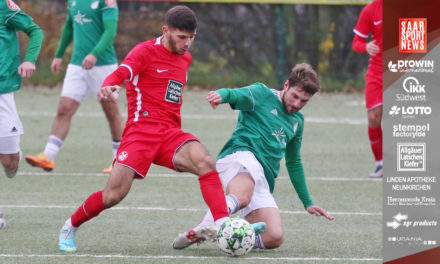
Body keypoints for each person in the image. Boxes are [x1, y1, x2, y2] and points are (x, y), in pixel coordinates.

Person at [57, 5, 234, 253]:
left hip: (170, 133)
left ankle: (224, 224)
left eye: (192, 37)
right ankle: (70, 226)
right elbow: (121, 72)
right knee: (113, 196)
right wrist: (109, 85)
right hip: (140, 133)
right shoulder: (144, 51)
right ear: (166, 30)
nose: (187, 43)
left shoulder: (186, 58)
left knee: (205, 162)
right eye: (182, 37)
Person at [173, 63, 334, 250]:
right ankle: (205, 226)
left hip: (262, 177)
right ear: (286, 84)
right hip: (239, 156)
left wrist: (308, 202)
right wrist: (221, 96)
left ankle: (229, 235)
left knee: (274, 237)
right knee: (243, 194)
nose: (296, 104)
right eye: (295, 96)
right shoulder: (262, 94)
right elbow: (235, 94)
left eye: (304, 101)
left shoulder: (298, 122)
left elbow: (293, 161)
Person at [25, 0, 124, 173]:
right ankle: (48, 156)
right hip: (77, 65)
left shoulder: (107, 1)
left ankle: (120, 160)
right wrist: (59, 55)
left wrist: (94, 54)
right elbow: (69, 27)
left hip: (103, 66)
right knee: (64, 108)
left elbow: (110, 32)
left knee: (111, 112)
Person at [0, 0, 43, 227]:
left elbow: (35, 31)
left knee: (9, 162)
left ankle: (11, 150)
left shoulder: (4, 6)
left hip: (3, 92)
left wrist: (29, 59)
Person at [352, 0, 383, 178]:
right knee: (373, 118)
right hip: (376, 73)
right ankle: (381, 164)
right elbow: (356, 43)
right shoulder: (370, 9)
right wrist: (365, 46)